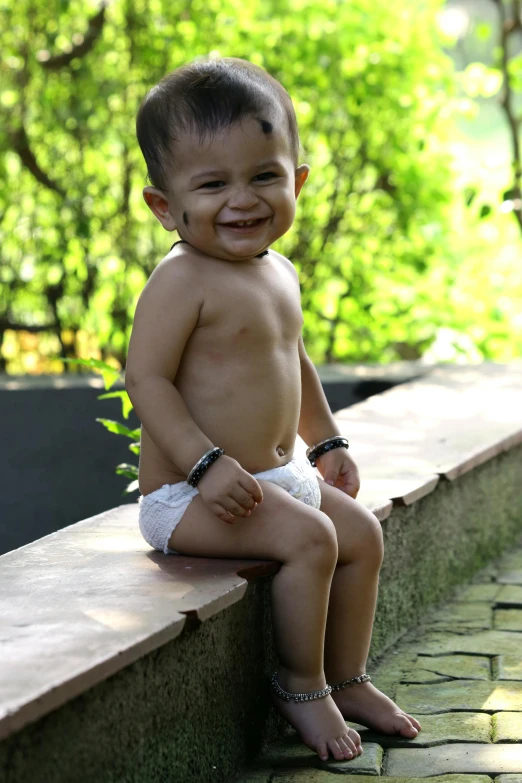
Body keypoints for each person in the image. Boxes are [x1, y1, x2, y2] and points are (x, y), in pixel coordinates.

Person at [126, 56, 421, 763]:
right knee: (311, 540)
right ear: (166, 206)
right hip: (187, 495)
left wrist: (326, 443)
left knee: (359, 535)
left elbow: (292, 361)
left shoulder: (277, 270)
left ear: (298, 180)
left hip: (269, 481)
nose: (243, 199)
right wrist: (203, 464)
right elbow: (146, 379)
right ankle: (301, 683)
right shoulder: (181, 280)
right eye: (212, 183)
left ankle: (347, 676)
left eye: (264, 175)